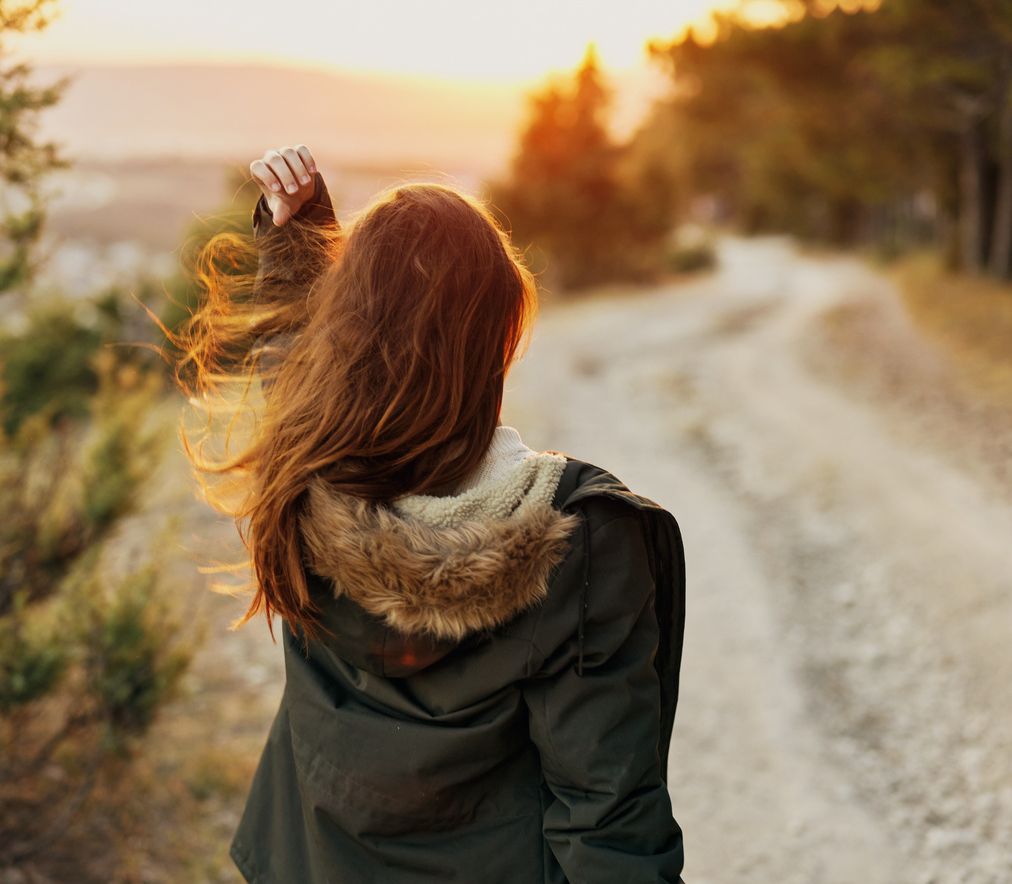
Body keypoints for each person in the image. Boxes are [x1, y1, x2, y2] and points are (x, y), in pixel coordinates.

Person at [178, 144, 686, 883]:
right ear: (492, 339)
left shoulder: (304, 486)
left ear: (349, 332)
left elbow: (291, 379)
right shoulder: (580, 539)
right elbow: (606, 809)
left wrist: (298, 245)